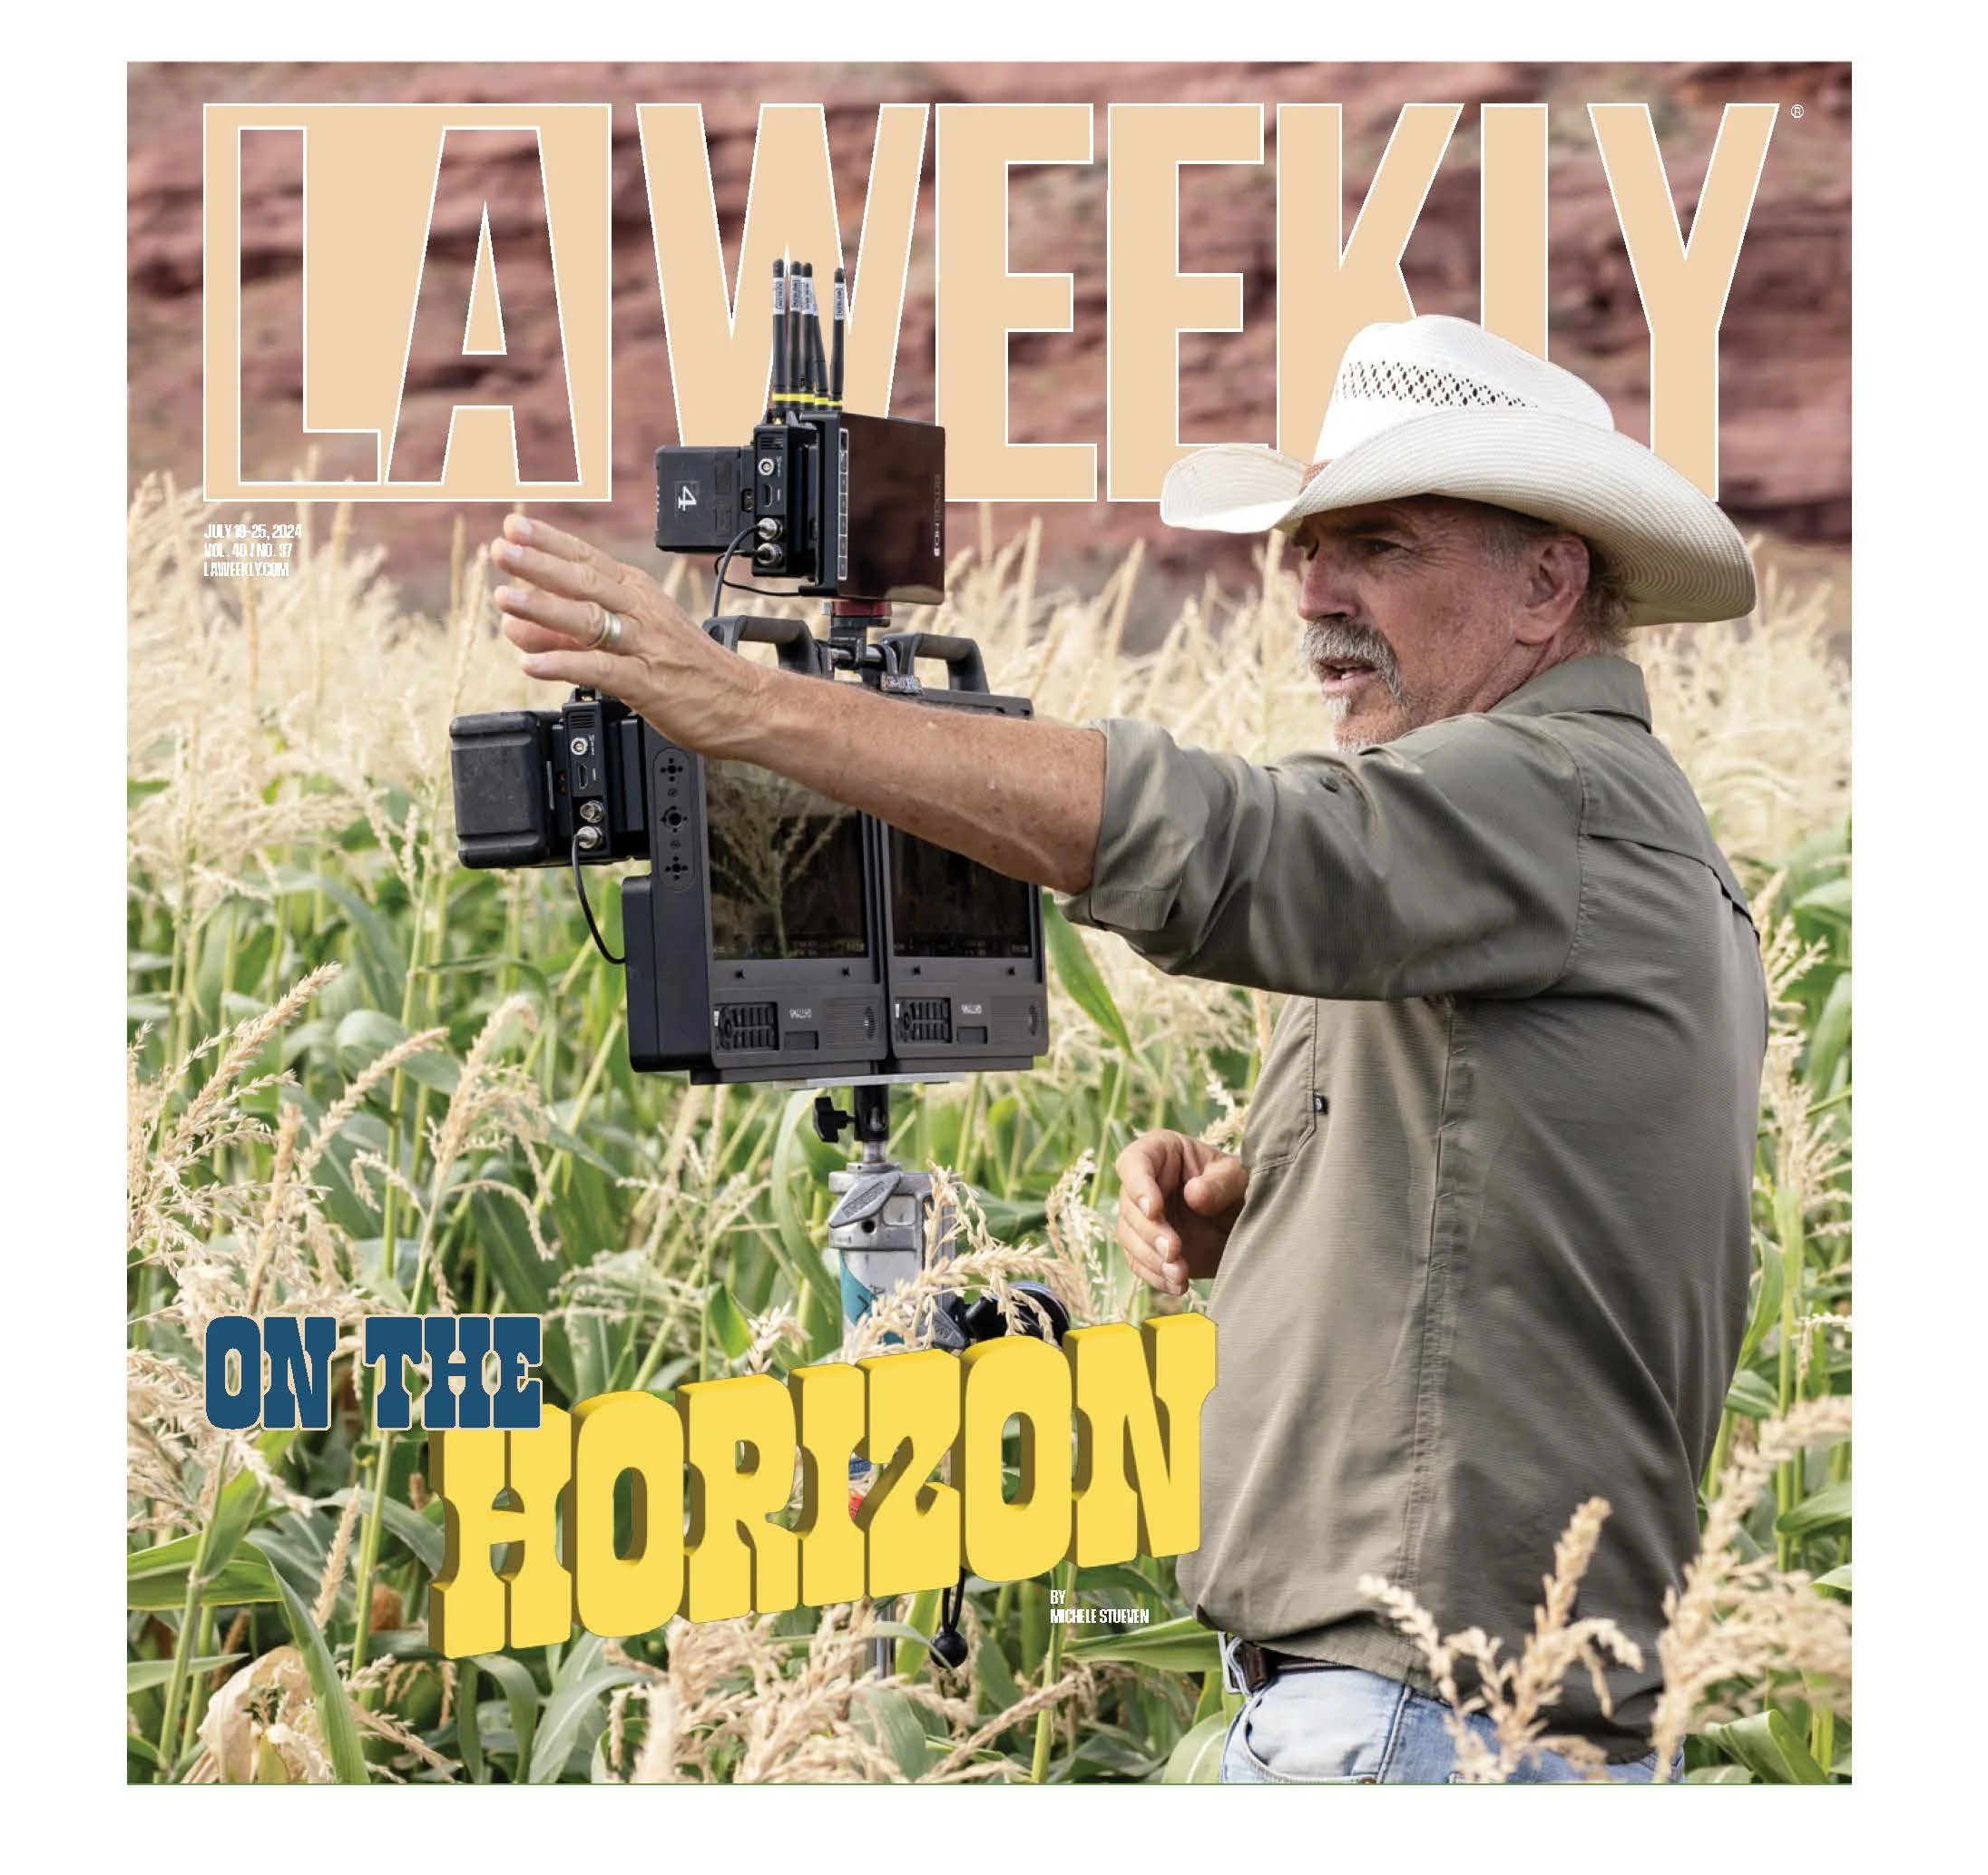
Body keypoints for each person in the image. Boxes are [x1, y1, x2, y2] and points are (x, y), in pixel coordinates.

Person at [486, 314, 1767, 1783]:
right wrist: (1283, 1199)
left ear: (1550, 582)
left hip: (1415, 1725)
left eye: (1383, 547)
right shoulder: (1593, 828)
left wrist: (752, 708)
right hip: (1478, 1725)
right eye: (1304, 550)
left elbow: (1230, 844)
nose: (1314, 594)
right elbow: (1570, 1197)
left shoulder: (1542, 789)